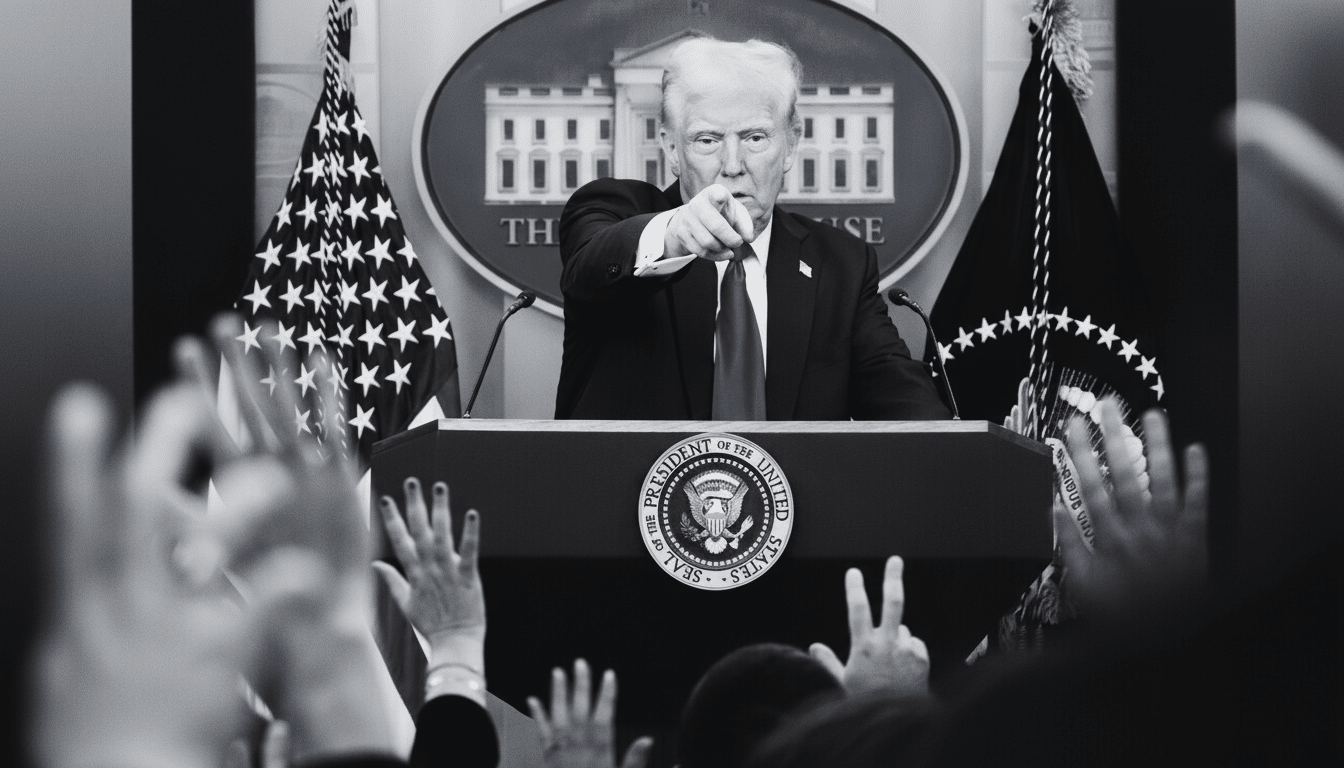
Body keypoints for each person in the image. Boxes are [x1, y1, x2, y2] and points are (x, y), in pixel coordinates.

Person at [556, 37, 949, 421]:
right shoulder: (613, 209)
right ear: (672, 148)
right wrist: (674, 235)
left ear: (791, 144)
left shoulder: (842, 265)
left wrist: (955, 444)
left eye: (755, 137)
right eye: (707, 140)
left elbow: (898, 394)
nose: (732, 165)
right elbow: (589, 267)